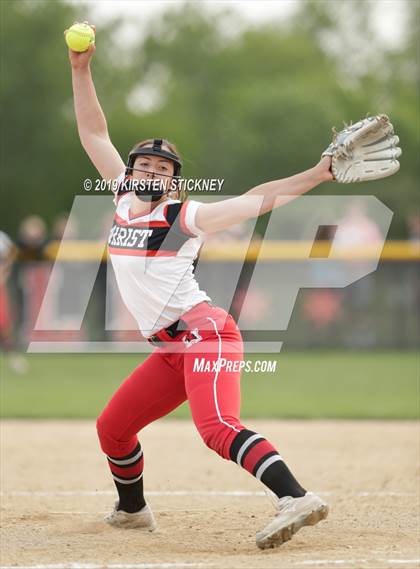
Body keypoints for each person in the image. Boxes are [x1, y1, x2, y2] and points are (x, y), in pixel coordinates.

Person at [67, 22, 333, 550]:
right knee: (112, 428)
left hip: (203, 334)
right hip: (170, 348)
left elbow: (261, 199)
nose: (148, 170)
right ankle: (133, 510)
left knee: (216, 428)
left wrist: (317, 173)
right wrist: (81, 69)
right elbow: (94, 133)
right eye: (142, 162)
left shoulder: (184, 216)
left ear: (173, 181)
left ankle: (295, 496)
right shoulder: (122, 197)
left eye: (161, 167)